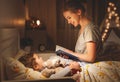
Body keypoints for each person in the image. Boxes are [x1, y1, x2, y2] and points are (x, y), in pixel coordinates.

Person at [62, 0, 103, 65]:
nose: (68, 22)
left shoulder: (90, 29)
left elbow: (90, 57)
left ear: (79, 12)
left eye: (69, 17)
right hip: (80, 63)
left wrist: (71, 53)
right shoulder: (82, 29)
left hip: (88, 65)